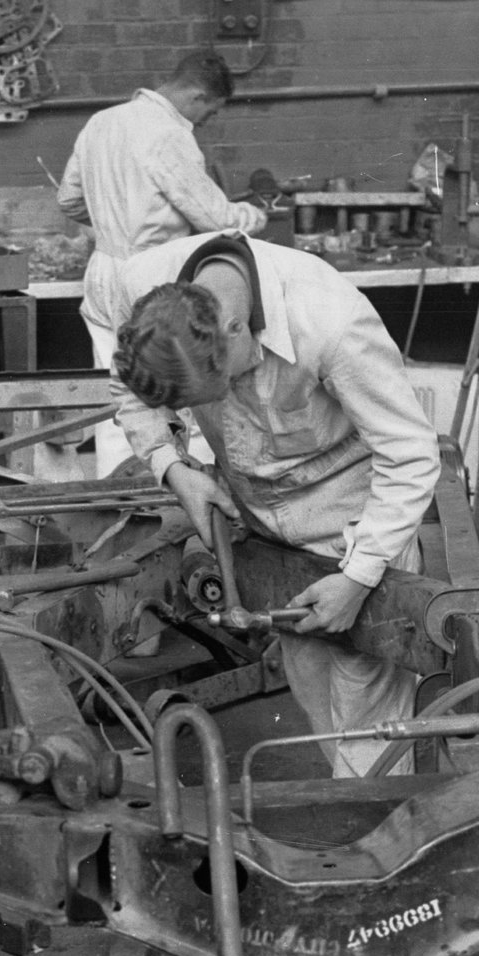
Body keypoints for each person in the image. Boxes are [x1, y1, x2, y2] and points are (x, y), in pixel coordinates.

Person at [109, 231, 441, 773]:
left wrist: (358, 577)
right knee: (313, 693)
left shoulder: (330, 322)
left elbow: (411, 455)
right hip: (266, 535)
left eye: (223, 386)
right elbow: (128, 389)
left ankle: (372, 816)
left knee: (367, 721)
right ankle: (353, 801)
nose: (226, 400)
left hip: (354, 527)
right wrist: (173, 466)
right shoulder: (141, 287)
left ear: (235, 327)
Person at [58, 52, 271, 475]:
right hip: (154, 278)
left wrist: (111, 220)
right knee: (186, 389)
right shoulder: (169, 135)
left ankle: (122, 495)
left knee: (122, 397)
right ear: (196, 95)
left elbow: (69, 200)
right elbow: (215, 218)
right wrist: (255, 215)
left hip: (103, 274)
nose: (206, 120)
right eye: (210, 110)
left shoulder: (101, 122)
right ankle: (192, 493)